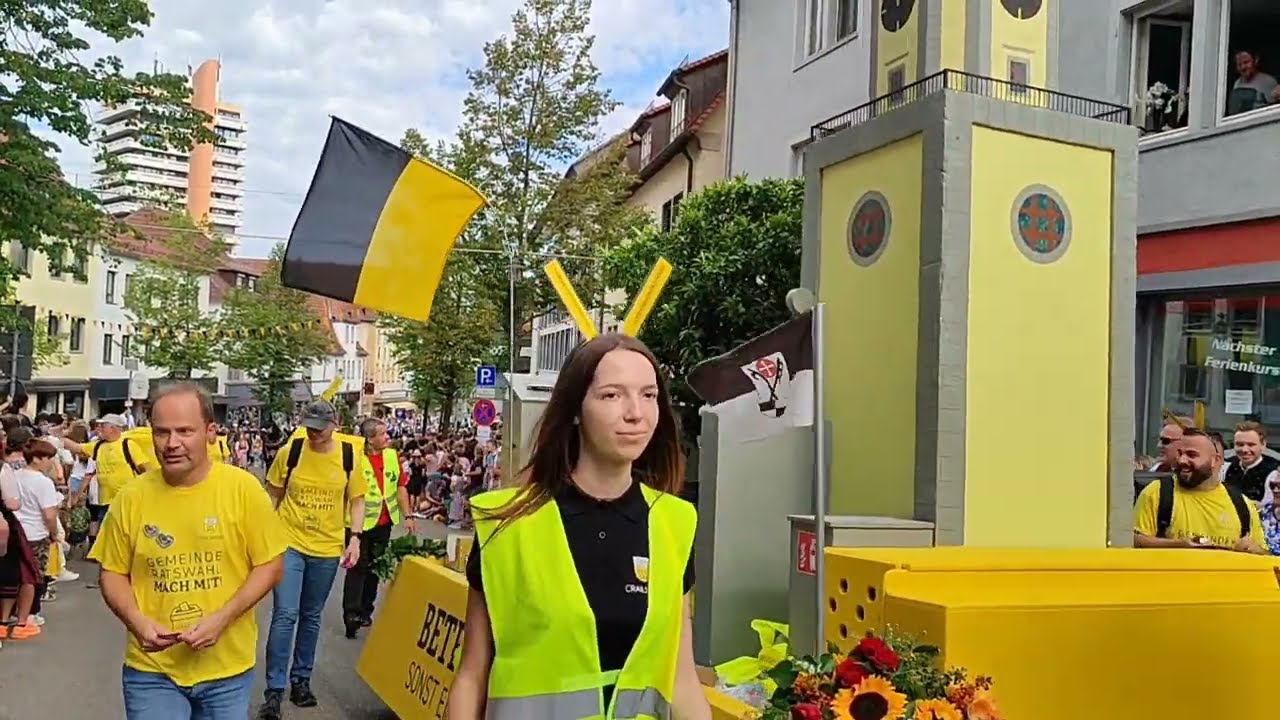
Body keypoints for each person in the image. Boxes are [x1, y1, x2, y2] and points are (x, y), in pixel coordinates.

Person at [449, 333, 711, 720]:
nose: (635, 412)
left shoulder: (674, 522)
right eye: (611, 395)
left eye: (649, 395)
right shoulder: (505, 524)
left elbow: (682, 678)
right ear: (575, 409)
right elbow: (473, 674)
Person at [90, 381, 286, 720]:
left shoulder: (243, 490)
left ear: (210, 432)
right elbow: (112, 572)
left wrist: (223, 619)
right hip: (152, 670)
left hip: (227, 669)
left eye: (184, 431)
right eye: (162, 432)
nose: (172, 443)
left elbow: (269, 565)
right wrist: (136, 620)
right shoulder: (132, 497)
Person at [259, 400, 364, 720]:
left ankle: (300, 681)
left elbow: (357, 500)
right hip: (288, 543)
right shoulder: (290, 452)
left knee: (311, 616)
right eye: (309, 426)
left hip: (327, 548)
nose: (313, 432)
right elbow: (273, 494)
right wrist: (262, 535)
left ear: (335, 424)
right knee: (285, 614)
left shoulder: (348, 457)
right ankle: (274, 690)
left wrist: (355, 538)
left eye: (320, 427)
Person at [1134, 427, 1267, 553]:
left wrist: (1253, 550)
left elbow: (1265, 555)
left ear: (1215, 460)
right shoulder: (1157, 492)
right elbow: (1134, 541)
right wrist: (1178, 545)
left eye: (1191, 455)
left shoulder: (1242, 504)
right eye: (1180, 453)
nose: (1182, 460)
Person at [341, 417, 413, 639]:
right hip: (358, 524)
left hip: (384, 521)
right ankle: (351, 614)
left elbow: (400, 488)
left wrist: (408, 515)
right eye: (382, 434)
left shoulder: (392, 457)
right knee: (357, 567)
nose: (387, 438)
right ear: (370, 440)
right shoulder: (355, 458)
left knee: (376, 567)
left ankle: (365, 610)